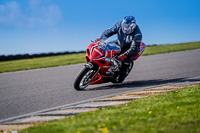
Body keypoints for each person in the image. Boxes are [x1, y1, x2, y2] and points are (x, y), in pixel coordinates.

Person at [96, 16, 144, 83]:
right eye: (125, 26)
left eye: (128, 27)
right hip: (119, 42)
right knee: (105, 46)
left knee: (126, 61)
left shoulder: (137, 34)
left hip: (130, 48)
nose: (126, 28)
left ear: (133, 26)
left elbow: (134, 48)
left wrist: (124, 55)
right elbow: (109, 31)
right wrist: (102, 38)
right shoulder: (119, 24)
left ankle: (124, 72)